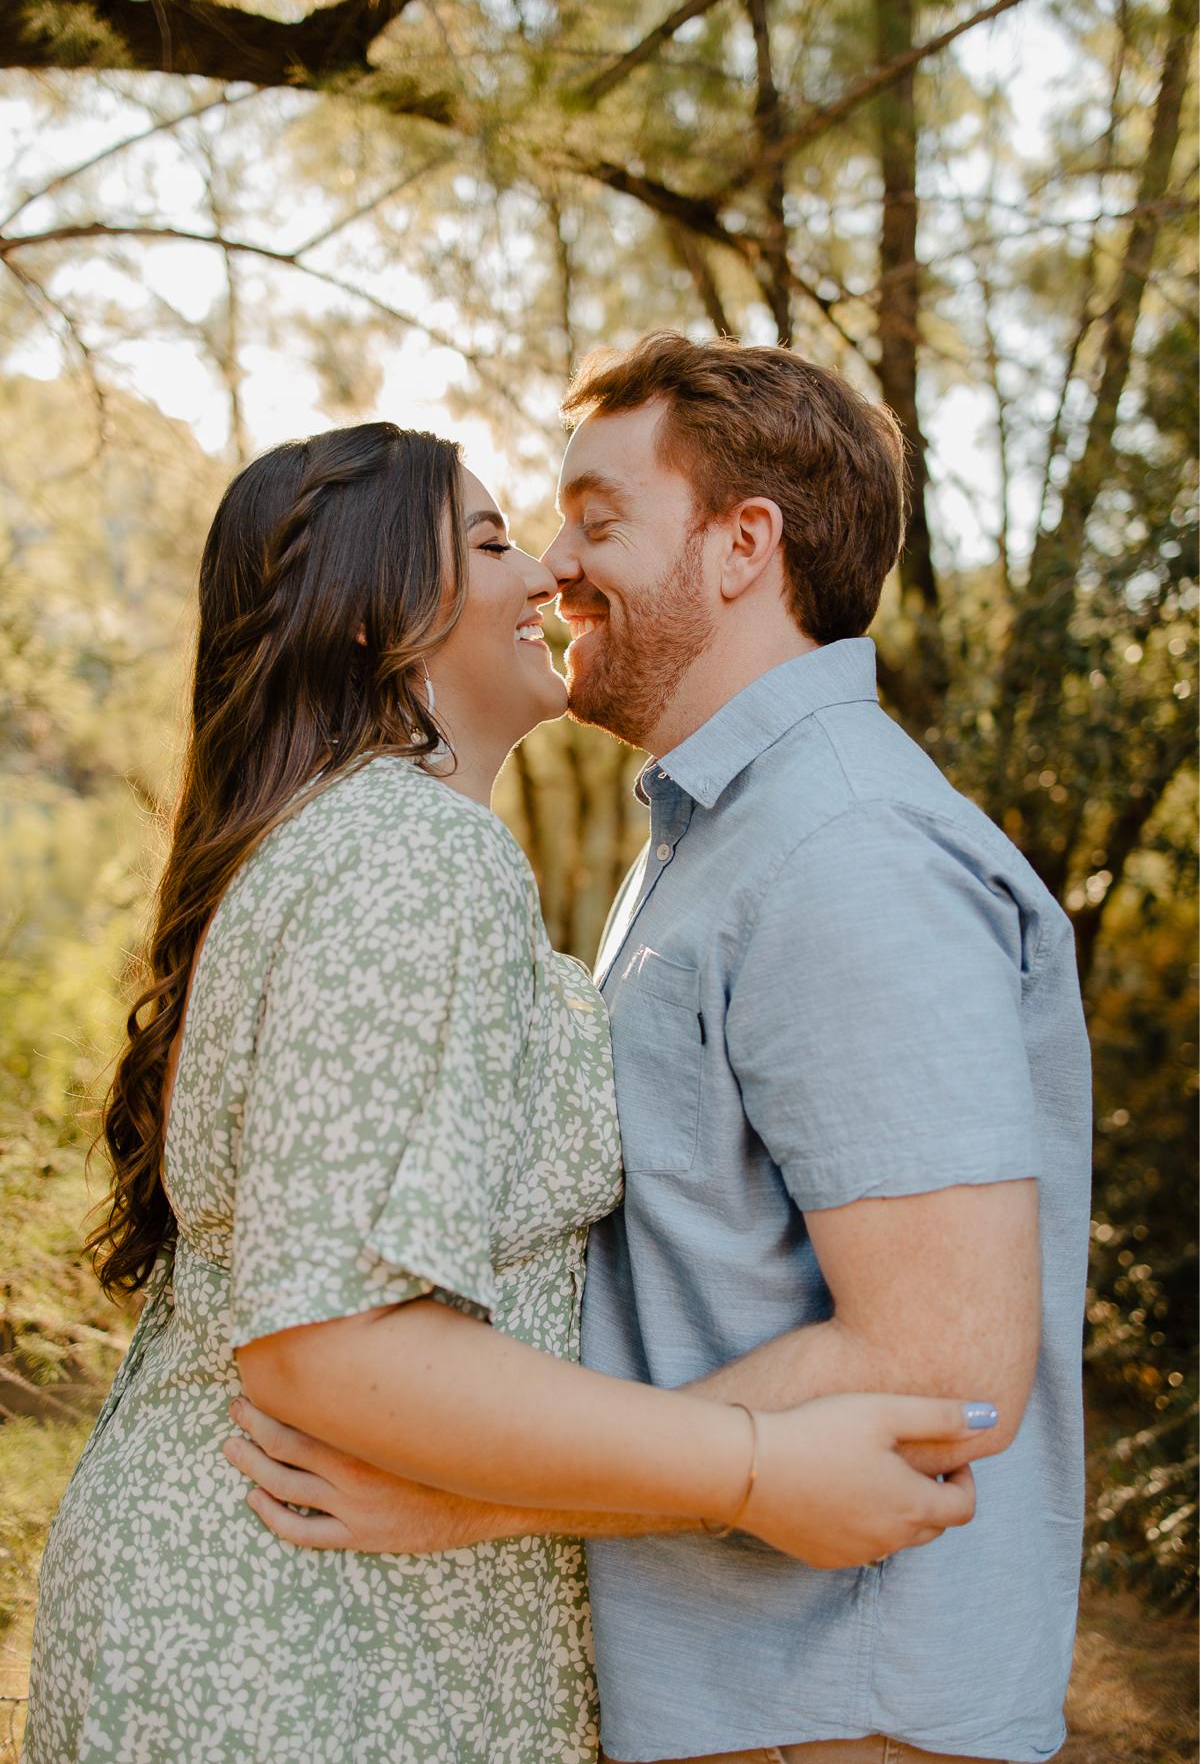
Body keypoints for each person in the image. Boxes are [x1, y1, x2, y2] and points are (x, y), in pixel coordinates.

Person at [23, 420, 984, 1764]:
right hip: (305, 1653)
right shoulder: (410, 859)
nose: (544, 571)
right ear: (372, 617)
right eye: (490, 543)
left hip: (301, 1617)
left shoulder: (361, 844)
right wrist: (756, 1473)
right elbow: (331, 1341)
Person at [229, 339, 1092, 1764]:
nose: (555, 563)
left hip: (839, 1706)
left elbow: (939, 1355)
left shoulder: (850, 848)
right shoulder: (720, 835)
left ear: (744, 545)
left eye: (599, 517)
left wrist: (473, 1502)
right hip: (740, 1688)